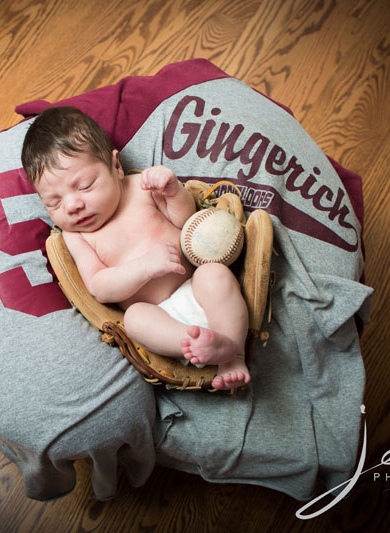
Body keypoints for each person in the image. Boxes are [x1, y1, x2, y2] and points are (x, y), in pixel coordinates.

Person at [21, 106, 250, 390]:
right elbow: (98, 286)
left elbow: (186, 222)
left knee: (213, 274)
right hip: (161, 317)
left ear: (116, 167)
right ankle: (196, 343)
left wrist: (173, 191)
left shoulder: (141, 188)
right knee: (135, 319)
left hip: (194, 285)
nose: (72, 205)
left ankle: (232, 353)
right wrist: (143, 268)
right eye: (53, 202)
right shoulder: (75, 236)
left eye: (85, 186)